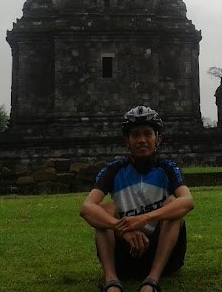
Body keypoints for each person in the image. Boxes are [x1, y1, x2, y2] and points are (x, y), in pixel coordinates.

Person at [80, 106, 194, 292]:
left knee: (172, 206)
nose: (142, 140)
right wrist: (122, 229)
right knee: (105, 209)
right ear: (127, 142)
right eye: (135, 135)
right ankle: (111, 281)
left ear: (158, 139)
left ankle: (152, 281)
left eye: (147, 134)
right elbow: (87, 208)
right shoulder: (114, 170)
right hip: (125, 253)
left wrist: (145, 218)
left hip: (162, 255)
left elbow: (188, 202)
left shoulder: (168, 168)